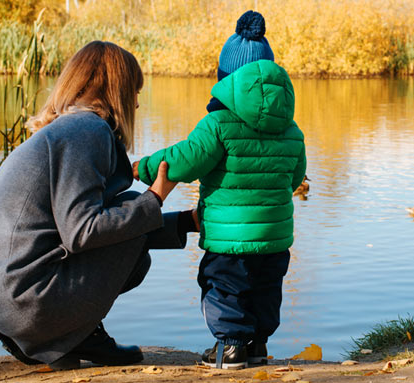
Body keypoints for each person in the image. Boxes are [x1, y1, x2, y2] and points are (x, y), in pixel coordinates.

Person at [0, 41, 197, 371]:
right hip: (24, 299)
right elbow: (83, 232)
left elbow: (74, 228)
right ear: (116, 90)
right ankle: (78, 336)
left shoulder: (66, 128)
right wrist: (155, 197)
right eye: (134, 91)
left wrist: (187, 221)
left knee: (129, 211)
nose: (139, 104)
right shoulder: (89, 130)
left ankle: (54, 338)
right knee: (133, 212)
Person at [134, 10, 306, 370]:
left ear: (226, 80)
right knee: (265, 289)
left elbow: (182, 161)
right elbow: (294, 179)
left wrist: (143, 167)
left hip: (228, 238)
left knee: (224, 287)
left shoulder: (218, 124)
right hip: (275, 237)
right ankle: (256, 346)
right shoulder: (291, 130)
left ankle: (230, 348)